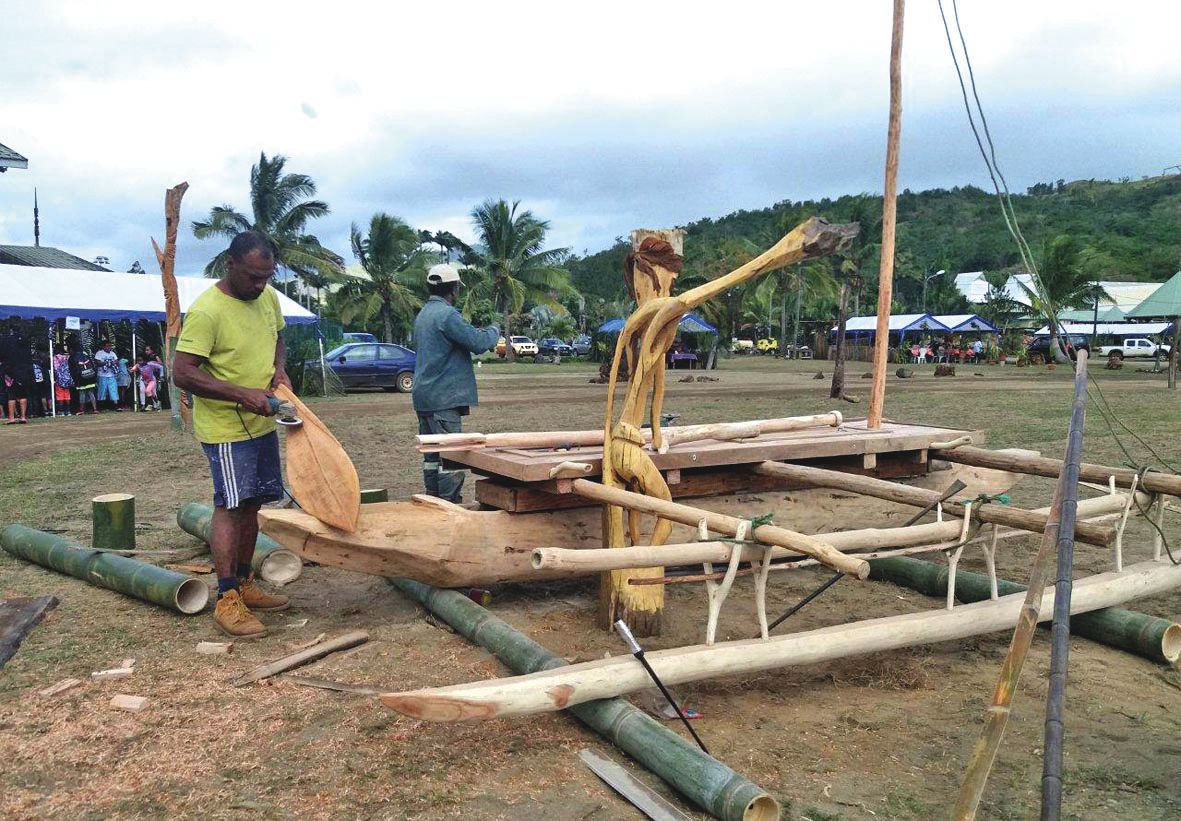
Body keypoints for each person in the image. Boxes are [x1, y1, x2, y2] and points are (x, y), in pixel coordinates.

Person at [173, 231, 291, 639]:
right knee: (231, 505)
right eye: (253, 277)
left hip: (261, 421)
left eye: (266, 276)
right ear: (231, 265)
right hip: (226, 428)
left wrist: (278, 371)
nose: (260, 285)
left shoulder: (268, 297)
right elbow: (182, 372)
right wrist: (242, 395)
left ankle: (244, 583)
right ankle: (226, 598)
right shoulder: (207, 311)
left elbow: (278, 337)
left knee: (253, 503)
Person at [411, 263, 499, 502]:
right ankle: (449, 504)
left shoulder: (423, 315)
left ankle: (432, 497)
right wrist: (494, 330)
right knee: (451, 457)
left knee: (431, 456)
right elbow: (478, 343)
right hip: (443, 398)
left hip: (424, 397)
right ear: (454, 289)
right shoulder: (447, 315)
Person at [69, 342, 100, 415]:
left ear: (72, 349)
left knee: (82, 393)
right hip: (90, 375)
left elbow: (72, 370)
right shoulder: (85, 355)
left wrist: (74, 380)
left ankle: (81, 410)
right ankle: (95, 409)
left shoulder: (72, 357)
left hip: (80, 377)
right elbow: (92, 365)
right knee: (91, 393)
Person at [94, 340, 121, 412]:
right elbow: (97, 362)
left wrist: (113, 363)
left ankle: (116, 406)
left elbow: (117, 361)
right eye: (107, 346)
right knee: (102, 390)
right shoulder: (99, 353)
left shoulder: (113, 353)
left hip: (112, 375)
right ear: (103, 346)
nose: (109, 347)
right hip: (102, 375)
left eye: (110, 346)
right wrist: (106, 363)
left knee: (113, 390)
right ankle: (101, 407)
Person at [52, 344, 73, 416]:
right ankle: (68, 410)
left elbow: (55, 369)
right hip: (67, 378)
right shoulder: (66, 357)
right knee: (67, 395)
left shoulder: (55, 358)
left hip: (59, 378)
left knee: (60, 395)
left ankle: (61, 411)